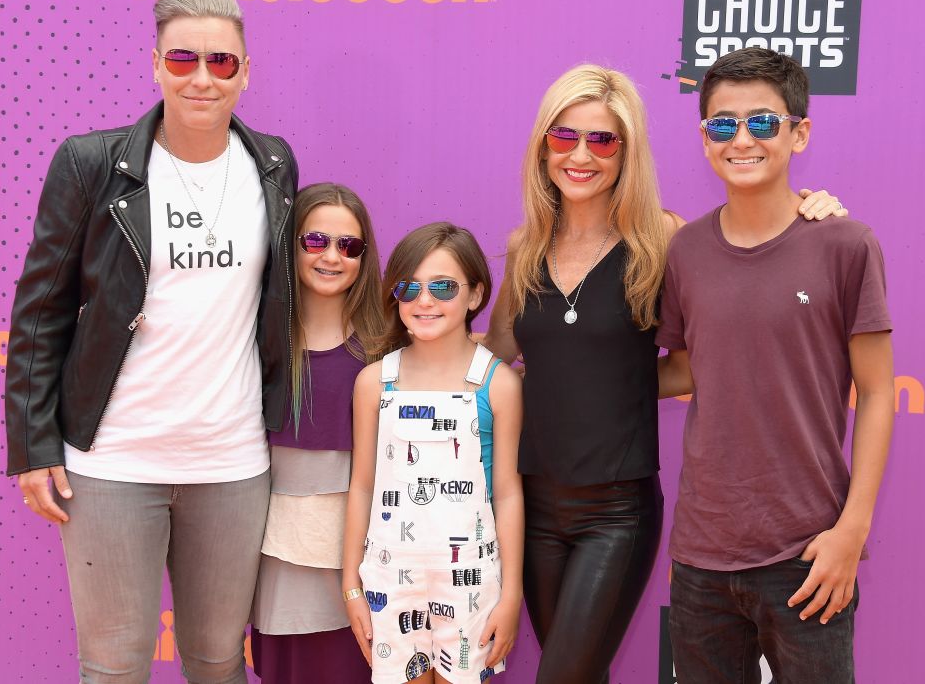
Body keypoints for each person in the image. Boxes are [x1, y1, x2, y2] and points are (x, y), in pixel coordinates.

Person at [482, 63, 847, 684]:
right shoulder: (525, 249)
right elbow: (494, 358)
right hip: (531, 505)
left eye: (602, 140)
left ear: (626, 153)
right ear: (543, 147)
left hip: (616, 513)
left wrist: (808, 213)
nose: (581, 156)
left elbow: (695, 364)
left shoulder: (664, 241)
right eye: (564, 137)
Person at [5, 0, 297, 683]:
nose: (203, 77)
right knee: (112, 666)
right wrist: (33, 445)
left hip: (230, 464)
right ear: (156, 64)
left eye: (222, 62)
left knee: (220, 661)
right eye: (184, 58)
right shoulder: (92, 164)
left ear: (246, 71)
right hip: (112, 463)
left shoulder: (275, 167)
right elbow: (41, 309)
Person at [658, 47, 894, 682]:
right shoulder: (684, 251)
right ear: (703, 136)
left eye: (761, 122)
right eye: (722, 124)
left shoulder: (845, 243)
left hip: (809, 553)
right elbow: (683, 368)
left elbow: (876, 393)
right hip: (702, 556)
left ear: (799, 131)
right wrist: (571, 382)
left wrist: (851, 531)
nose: (741, 139)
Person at [343, 223, 524, 684]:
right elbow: (362, 486)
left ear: (476, 295)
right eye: (409, 288)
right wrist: (351, 589)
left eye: (443, 287)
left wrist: (510, 594)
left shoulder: (497, 383)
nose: (424, 301)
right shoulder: (373, 382)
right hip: (388, 582)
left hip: (470, 583)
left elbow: (506, 492)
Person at [250, 183, 381, 683]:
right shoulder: (253, 338)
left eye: (349, 246)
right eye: (316, 241)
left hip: (367, 555)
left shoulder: (386, 345)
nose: (332, 256)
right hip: (272, 549)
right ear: (290, 245)